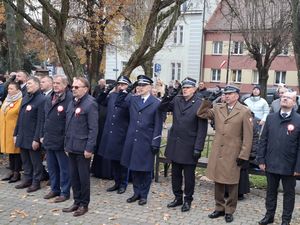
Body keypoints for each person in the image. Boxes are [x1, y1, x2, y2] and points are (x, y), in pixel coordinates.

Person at [197, 85, 253, 223]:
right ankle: (219, 208)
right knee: (218, 181)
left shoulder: (244, 111)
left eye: (230, 94)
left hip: (233, 152)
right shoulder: (218, 108)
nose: (227, 96)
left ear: (237, 96)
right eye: (225, 94)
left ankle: (229, 210)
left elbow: (248, 136)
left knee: (232, 183)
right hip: (218, 151)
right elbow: (201, 114)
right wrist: (207, 101)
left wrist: (243, 155)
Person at [159, 77, 208, 212]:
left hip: (190, 146)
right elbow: (162, 107)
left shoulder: (200, 103)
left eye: (188, 88)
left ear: (194, 89)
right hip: (175, 144)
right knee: (175, 174)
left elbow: (202, 129)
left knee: (189, 177)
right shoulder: (177, 99)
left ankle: (188, 200)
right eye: (184, 88)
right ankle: (177, 197)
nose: (185, 90)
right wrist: (169, 94)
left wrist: (198, 147)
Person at [118, 75, 163, 206]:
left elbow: (158, 125)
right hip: (133, 139)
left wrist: (156, 142)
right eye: (138, 85)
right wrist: (128, 88)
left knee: (145, 170)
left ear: (150, 87)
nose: (140, 88)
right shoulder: (133, 99)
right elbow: (119, 102)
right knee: (134, 168)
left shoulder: (156, 103)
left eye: (143, 85)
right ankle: (136, 193)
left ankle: (144, 194)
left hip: (146, 140)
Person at [257, 91, 300, 225]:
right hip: (271, 163)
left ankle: (285, 220)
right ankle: (269, 216)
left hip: (290, 166)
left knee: (289, 195)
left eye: (289, 98)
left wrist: (298, 167)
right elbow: (263, 140)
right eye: (283, 97)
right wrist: (261, 160)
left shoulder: (299, 120)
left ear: (294, 103)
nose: (285, 99)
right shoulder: (271, 118)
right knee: (270, 193)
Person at [62, 77, 98, 217]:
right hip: (71, 146)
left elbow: (93, 129)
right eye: (73, 87)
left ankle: (84, 204)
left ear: (86, 89)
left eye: (77, 87)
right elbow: (68, 125)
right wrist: (66, 144)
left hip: (83, 148)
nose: (73, 89)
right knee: (74, 177)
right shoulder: (72, 102)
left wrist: (89, 148)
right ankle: (76, 201)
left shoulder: (90, 103)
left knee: (83, 178)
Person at [40, 75, 72, 203]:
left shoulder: (69, 98)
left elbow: (70, 122)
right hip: (49, 138)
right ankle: (54, 189)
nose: (55, 85)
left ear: (65, 85)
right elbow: (44, 118)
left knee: (64, 169)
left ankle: (65, 192)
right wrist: (42, 135)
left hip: (61, 140)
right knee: (52, 167)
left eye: (58, 83)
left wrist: (66, 140)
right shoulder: (49, 97)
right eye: (54, 83)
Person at [98, 76, 131, 194]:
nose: (121, 87)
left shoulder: (130, 98)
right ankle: (117, 182)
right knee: (113, 160)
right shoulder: (112, 96)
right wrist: (106, 90)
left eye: (123, 85)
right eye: (119, 84)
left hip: (122, 133)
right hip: (110, 132)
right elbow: (100, 101)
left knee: (122, 161)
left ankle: (123, 183)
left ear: (128, 86)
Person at [14, 76, 46, 192]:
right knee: (25, 160)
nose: (27, 85)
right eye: (27, 84)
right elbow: (20, 118)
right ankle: (27, 179)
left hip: (32, 136)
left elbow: (40, 121)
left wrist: (36, 139)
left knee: (35, 161)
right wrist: (15, 133)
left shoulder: (41, 99)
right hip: (22, 134)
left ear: (37, 85)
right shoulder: (25, 97)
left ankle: (36, 182)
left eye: (30, 84)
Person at [0, 82, 23, 183]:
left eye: (11, 89)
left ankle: (16, 172)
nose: (9, 90)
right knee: (10, 152)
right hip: (5, 130)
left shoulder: (20, 101)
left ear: (17, 90)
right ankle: (11, 171)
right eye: (8, 89)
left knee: (16, 152)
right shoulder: (7, 100)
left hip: (14, 130)